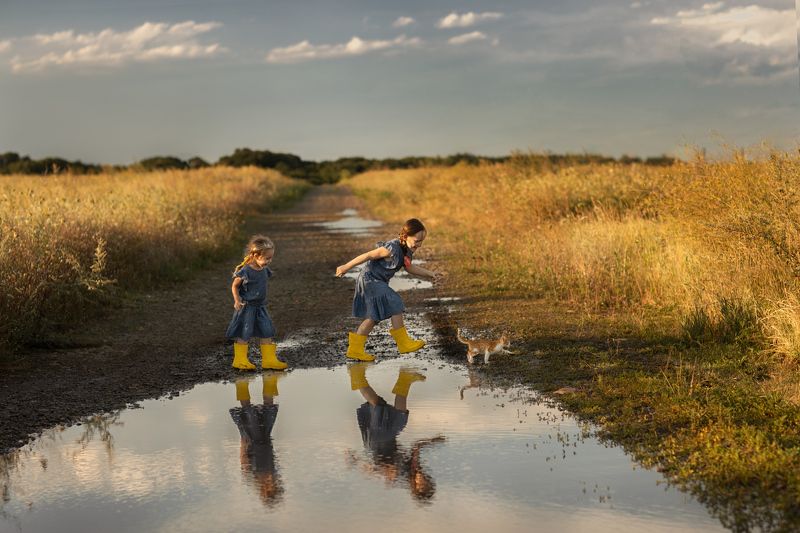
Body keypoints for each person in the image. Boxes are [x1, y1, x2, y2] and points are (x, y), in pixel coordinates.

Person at [335, 218, 438, 361]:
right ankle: (403, 343)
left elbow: (409, 267)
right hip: (369, 280)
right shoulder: (391, 248)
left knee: (373, 318)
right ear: (406, 236)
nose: (419, 244)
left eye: (422, 241)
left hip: (378, 282)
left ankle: (355, 350)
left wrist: (430, 274)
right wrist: (346, 267)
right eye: (417, 240)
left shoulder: (406, 251)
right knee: (394, 301)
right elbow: (368, 255)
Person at [345, 363, 445, 503]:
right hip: (383, 439)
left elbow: (379, 472)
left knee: (387, 410)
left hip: (378, 442)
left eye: (422, 485)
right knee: (384, 407)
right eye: (427, 482)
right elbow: (416, 446)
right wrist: (433, 441)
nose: (423, 479)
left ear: (415, 488)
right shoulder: (414, 469)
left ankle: (359, 375)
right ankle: (404, 379)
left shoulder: (401, 478)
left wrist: (359, 463)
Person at [226, 235, 288, 371]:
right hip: (247, 307)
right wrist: (237, 300)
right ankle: (239, 360)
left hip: (261, 307)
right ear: (255, 255)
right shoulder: (245, 271)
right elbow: (234, 286)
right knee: (244, 333)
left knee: (267, 331)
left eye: (271, 258)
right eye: (267, 258)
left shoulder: (264, 269)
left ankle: (269, 360)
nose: (269, 261)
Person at [230, 373, 284, 507]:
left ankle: (241, 382)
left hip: (252, 440)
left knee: (247, 410)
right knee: (269, 407)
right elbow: (272, 456)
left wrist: (243, 441)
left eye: (269, 489)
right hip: (265, 437)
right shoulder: (274, 473)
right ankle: (269, 379)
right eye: (274, 487)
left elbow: (243, 459)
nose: (271, 484)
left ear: (263, 491)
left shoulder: (251, 477)